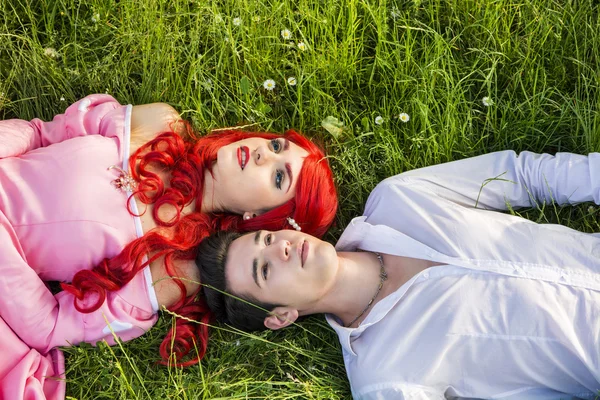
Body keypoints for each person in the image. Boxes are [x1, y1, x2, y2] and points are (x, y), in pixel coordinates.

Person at [0, 94, 337, 399]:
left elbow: (50, 325)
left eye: (279, 178)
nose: (265, 153)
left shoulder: (171, 269)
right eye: (277, 146)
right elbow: (41, 133)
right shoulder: (161, 124)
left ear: (260, 218)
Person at [197, 150, 600, 400]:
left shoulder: (396, 199)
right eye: (265, 269)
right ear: (281, 316)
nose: (280, 248)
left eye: (267, 238)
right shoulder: (385, 379)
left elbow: (519, 175)